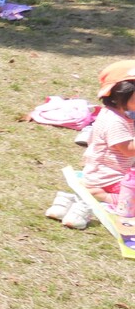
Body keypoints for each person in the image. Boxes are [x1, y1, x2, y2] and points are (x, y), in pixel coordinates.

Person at [47, 60, 135, 228]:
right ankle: (101, 197)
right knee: (131, 202)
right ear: (120, 95)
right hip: (108, 177)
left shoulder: (124, 113)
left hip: (111, 171)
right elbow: (128, 149)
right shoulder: (115, 121)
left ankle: (71, 199)